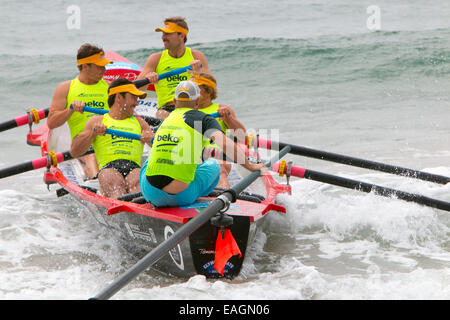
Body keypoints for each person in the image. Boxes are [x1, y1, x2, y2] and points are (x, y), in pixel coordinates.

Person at [139, 80, 266, 208]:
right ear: (197, 100)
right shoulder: (203, 118)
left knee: (150, 159)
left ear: (175, 101)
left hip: (150, 193)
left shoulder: (165, 121)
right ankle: (207, 198)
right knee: (214, 165)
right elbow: (225, 144)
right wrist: (250, 166)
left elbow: (154, 145)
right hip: (181, 196)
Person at [70, 78, 154, 198]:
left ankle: (139, 208)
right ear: (119, 97)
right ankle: (122, 209)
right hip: (108, 167)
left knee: (137, 181)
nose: (137, 103)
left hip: (133, 166)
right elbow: (75, 151)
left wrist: (151, 139)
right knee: (114, 181)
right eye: (133, 98)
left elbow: (159, 146)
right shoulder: (97, 121)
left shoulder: (139, 122)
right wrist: (92, 134)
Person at [47, 43, 112, 179]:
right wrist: (70, 110)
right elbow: (51, 123)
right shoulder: (66, 88)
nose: (104, 69)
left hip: (108, 137)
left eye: (104, 65)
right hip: (84, 143)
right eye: (99, 66)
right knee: (92, 156)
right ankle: (97, 184)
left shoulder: (109, 87)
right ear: (85, 66)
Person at [137, 16, 210, 119]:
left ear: (181, 36)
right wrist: (148, 80)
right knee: (162, 115)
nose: (163, 37)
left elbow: (211, 90)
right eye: (163, 34)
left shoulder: (197, 56)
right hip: (167, 109)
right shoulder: (155, 59)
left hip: (192, 107)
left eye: (167, 34)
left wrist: (198, 75)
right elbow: (137, 90)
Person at [192, 72, 247, 188]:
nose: (193, 92)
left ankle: (225, 199)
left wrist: (228, 118)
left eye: (197, 89)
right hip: (193, 154)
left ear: (208, 91)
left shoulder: (221, 109)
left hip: (217, 155)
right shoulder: (187, 110)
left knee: (218, 166)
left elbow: (241, 135)